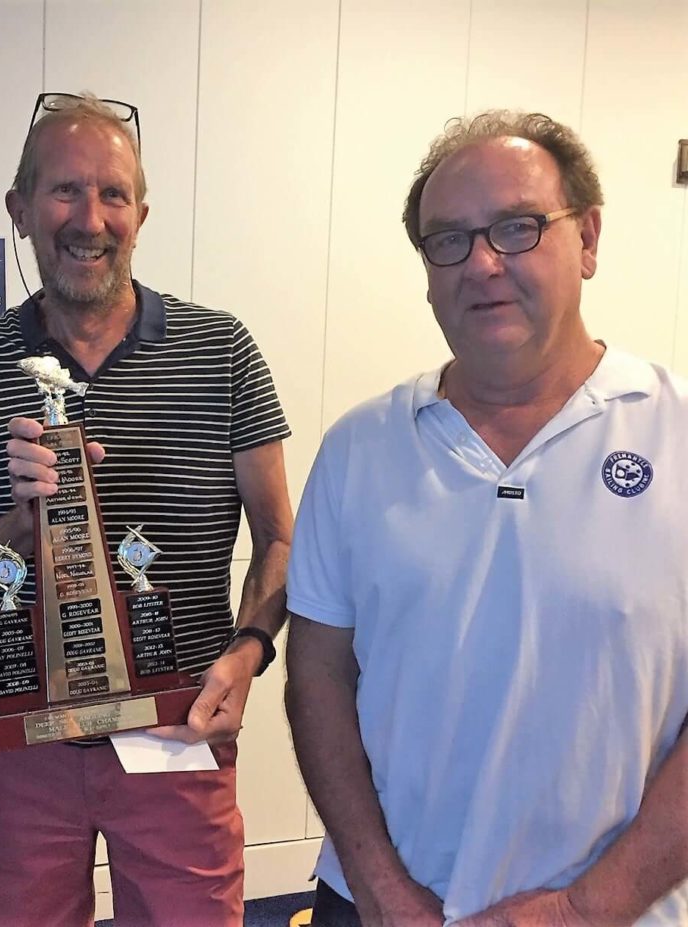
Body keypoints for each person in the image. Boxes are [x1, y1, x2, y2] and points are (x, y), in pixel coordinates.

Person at [285, 111, 688, 927]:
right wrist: (384, 891)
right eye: (450, 240)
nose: (484, 263)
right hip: (379, 908)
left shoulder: (675, 432)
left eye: (518, 227)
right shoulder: (360, 449)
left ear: (589, 240)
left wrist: (586, 906)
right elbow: (317, 679)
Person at [0, 92, 293, 926]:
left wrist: (248, 649)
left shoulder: (222, 348)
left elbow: (279, 539)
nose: (89, 218)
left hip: (179, 726)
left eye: (113, 194)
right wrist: (13, 528)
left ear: (141, 213)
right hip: (21, 732)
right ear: (19, 209)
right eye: (63, 190)